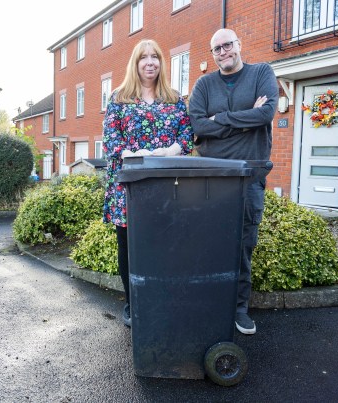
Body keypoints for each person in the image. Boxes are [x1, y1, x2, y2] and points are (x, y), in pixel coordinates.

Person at [188, 28, 278, 335]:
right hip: (211, 177)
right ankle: (212, 303)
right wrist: (243, 119)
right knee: (209, 243)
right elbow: (197, 125)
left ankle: (239, 308)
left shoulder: (261, 72)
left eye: (228, 45)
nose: (223, 51)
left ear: (238, 45)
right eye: (217, 49)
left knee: (242, 246)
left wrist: (220, 122)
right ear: (212, 54)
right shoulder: (204, 84)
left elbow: (265, 114)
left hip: (249, 177)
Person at [102, 39, 194, 327]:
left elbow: (186, 136)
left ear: (161, 63)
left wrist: (170, 151)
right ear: (136, 62)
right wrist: (135, 153)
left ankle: (162, 299)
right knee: (129, 248)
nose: (150, 62)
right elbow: (111, 141)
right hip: (130, 188)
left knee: (165, 246)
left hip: (168, 188)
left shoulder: (175, 99)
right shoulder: (119, 98)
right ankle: (133, 302)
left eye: (155, 56)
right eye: (144, 57)